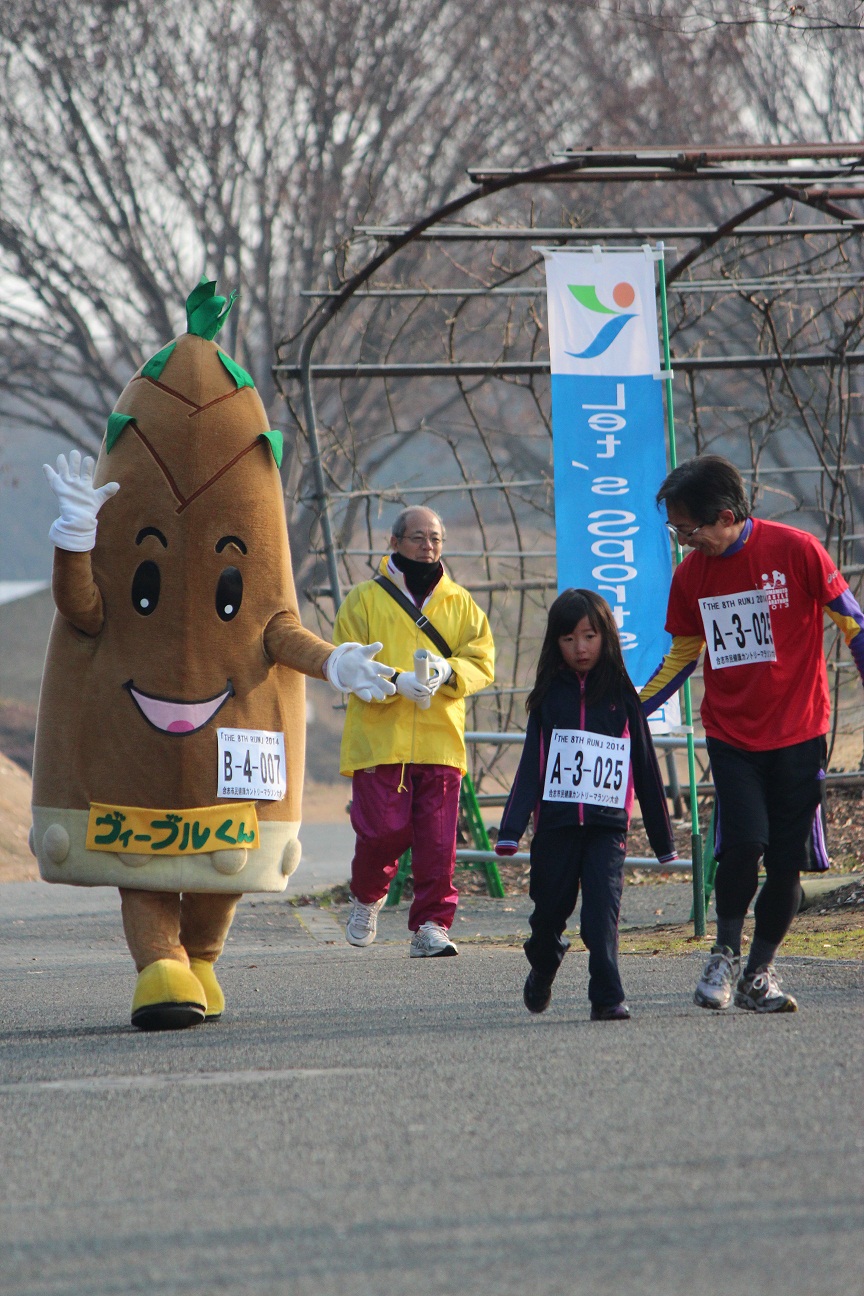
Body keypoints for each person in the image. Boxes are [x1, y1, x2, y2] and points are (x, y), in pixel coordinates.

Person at [641, 455, 864, 1013]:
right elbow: (682, 658)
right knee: (744, 844)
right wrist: (626, 710)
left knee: (786, 861)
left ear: (723, 516)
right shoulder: (691, 575)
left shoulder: (797, 550)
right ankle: (723, 953)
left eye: (687, 530)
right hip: (732, 733)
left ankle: (759, 973)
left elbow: (853, 623)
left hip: (800, 731)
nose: (682, 541)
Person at [495, 589, 677, 1019]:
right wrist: (510, 829)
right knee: (547, 918)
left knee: (601, 918)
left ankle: (608, 997)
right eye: (569, 639)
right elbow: (529, 767)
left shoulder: (622, 695)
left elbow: (646, 767)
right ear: (555, 644)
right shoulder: (547, 699)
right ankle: (544, 963)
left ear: (606, 638)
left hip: (606, 827)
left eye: (590, 636)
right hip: (556, 827)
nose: (581, 648)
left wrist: (661, 837)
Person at [332, 506, 495, 956]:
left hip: (441, 739)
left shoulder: (461, 602)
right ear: (394, 542)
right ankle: (367, 897)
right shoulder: (363, 599)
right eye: (419, 537)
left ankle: (432, 925)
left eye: (436, 538)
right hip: (380, 740)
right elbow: (347, 662)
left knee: (438, 844)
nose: (428, 546)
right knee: (382, 832)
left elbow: (483, 661)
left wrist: (449, 670)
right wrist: (394, 681)